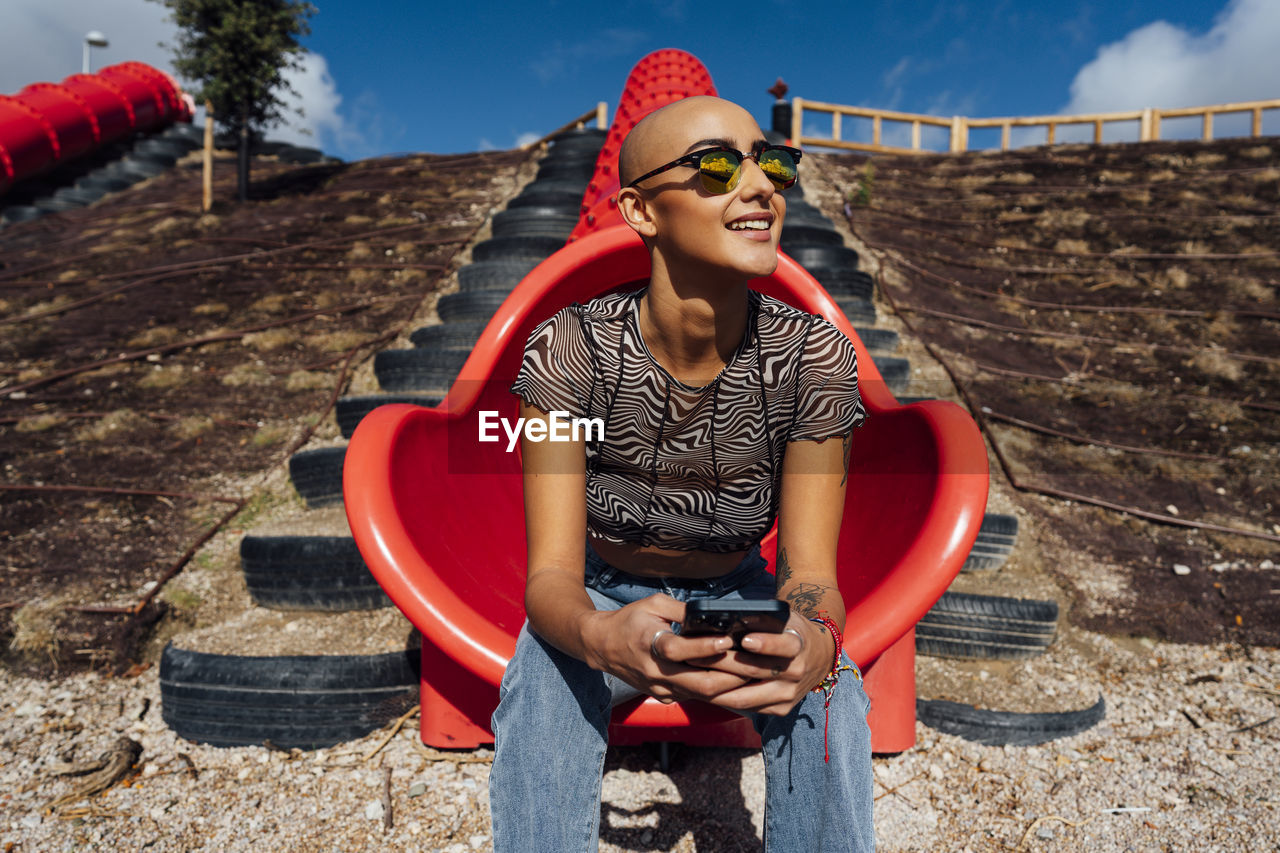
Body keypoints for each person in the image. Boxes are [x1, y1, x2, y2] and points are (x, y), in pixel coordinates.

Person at [489, 95, 874, 852]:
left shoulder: (814, 357)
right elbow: (551, 579)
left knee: (832, 693)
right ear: (640, 209)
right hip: (606, 586)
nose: (760, 185)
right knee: (541, 680)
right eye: (719, 166)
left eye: (773, 164)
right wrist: (599, 636)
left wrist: (817, 645)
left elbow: (811, 578)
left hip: (743, 589)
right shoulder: (570, 349)